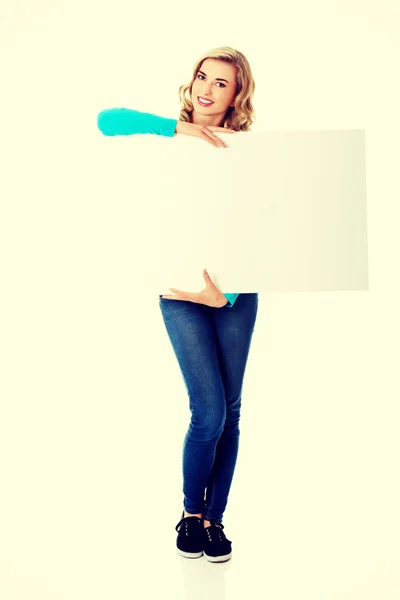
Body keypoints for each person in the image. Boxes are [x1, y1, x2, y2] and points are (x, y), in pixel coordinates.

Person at [97, 46, 258, 563]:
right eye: (202, 78)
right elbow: (106, 119)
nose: (207, 90)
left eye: (222, 84)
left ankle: (215, 521)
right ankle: (191, 512)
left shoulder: (247, 150)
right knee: (206, 412)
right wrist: (181, 129)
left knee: (230, 412)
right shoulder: (163, 138)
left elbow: (263, 230)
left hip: (234, 292)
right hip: (178, 294)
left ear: (238, 95)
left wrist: (225, 293)